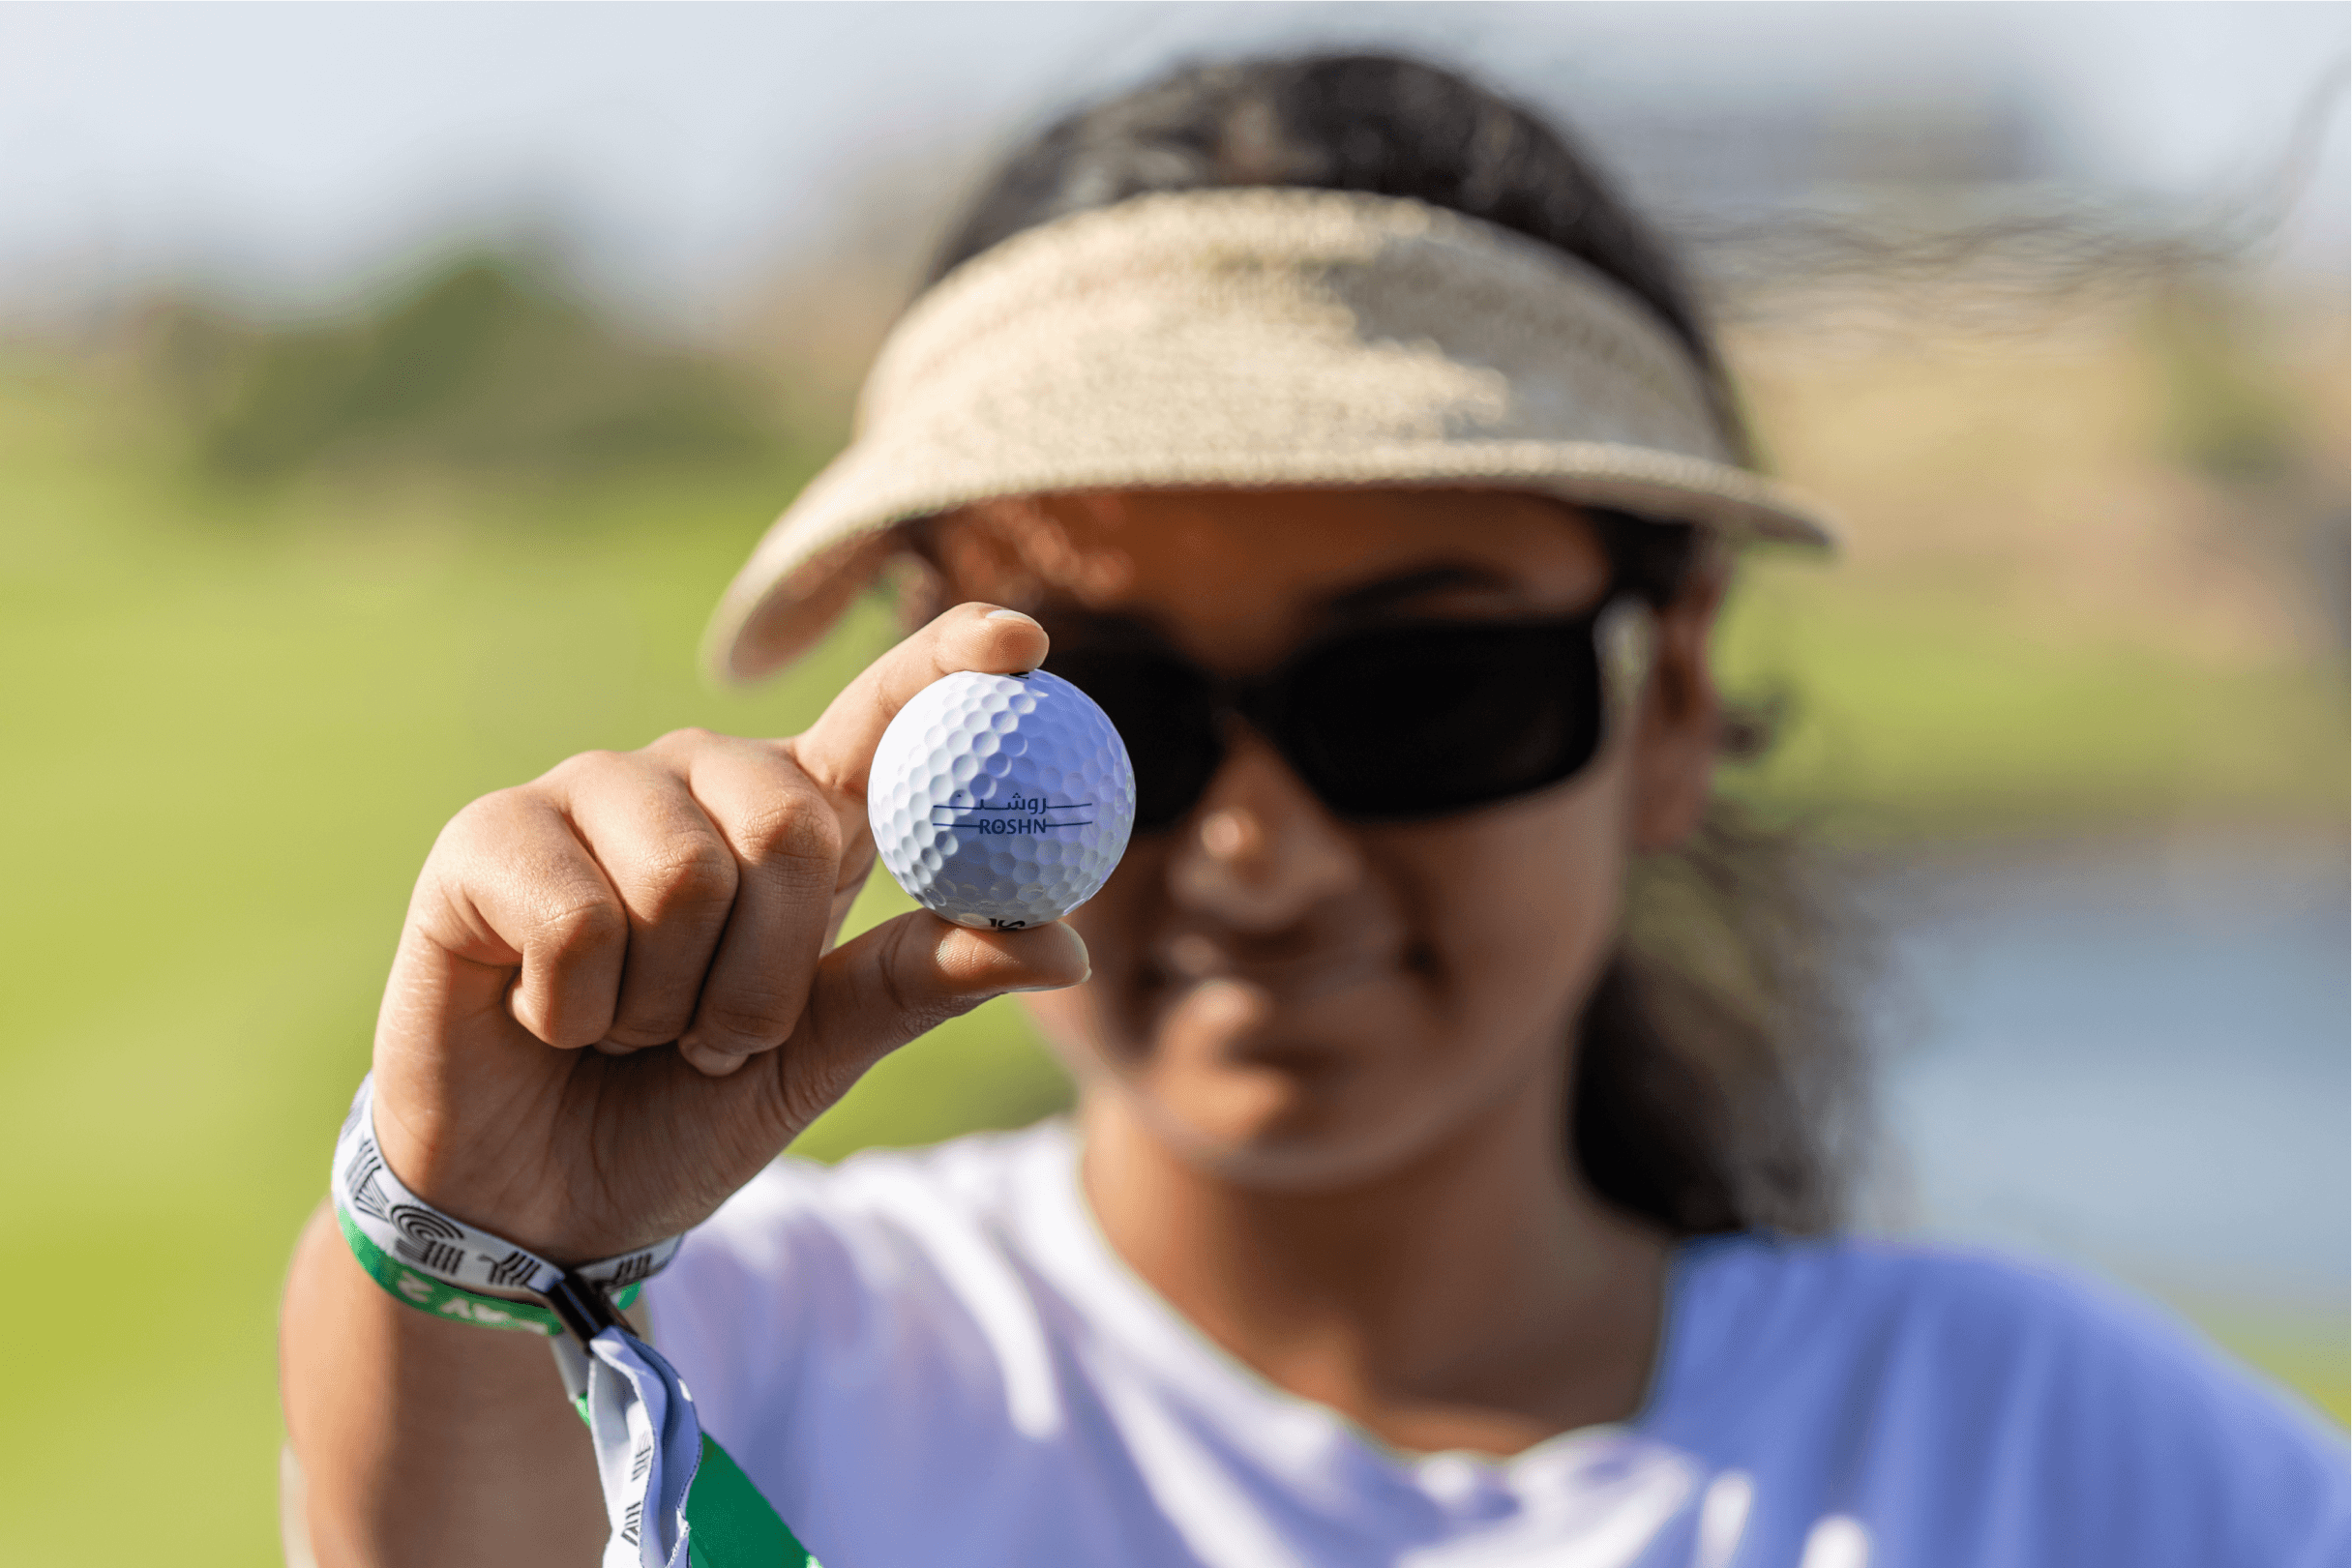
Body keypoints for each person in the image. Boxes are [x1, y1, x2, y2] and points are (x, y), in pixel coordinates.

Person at [279, 52, 2348, 1568]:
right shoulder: (691, 1357)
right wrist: (478, 1250)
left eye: (1426, 689)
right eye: (1114, 700)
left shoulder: (2079, 1464)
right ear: (922, 702)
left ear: (1676, 697)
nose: (1264, 850)